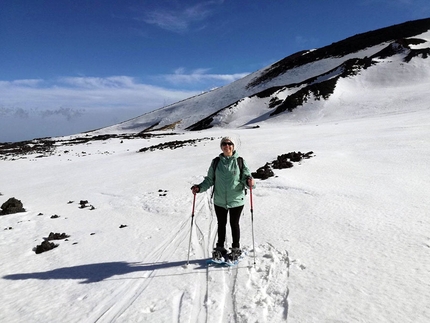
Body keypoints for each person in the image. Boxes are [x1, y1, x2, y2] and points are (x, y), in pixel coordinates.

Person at [191, 136, 255, 261]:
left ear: (233, 146)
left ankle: (236, 248)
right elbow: (209, 180)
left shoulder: (240, 161)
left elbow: (247, 177)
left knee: (234, 224)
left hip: (236, 199)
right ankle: (220, 247)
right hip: (219, 200)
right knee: (221, 224)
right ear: (221, 147)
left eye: (229, 144)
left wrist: (250, 182)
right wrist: (199, 188)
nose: (227, 146)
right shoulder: (216, 162)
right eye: (224, 144)